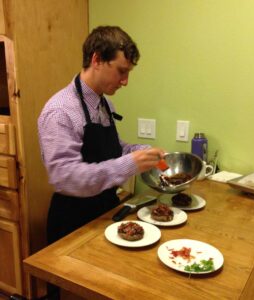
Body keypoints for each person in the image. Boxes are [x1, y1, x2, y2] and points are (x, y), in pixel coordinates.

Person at [38, 25, 165, 296]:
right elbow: (66, 177)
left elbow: (113, 149)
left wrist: (142, 152)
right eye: (121, 71)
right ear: (96, 59)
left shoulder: (105, 104)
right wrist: (131, 163)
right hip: (72, 221)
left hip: (105, 211)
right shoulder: (60, 111)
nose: (125, 81)